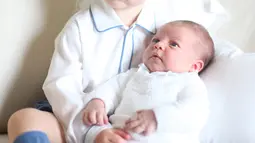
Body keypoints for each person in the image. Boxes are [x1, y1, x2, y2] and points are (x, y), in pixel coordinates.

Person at [7, 0, 223, 143]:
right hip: (78, 117)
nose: (158, 45)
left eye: (170, 44)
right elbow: (61, 87)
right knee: (23, 119)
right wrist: (94, 132)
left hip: (131, 128)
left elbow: (198, 47)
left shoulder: (166, 26)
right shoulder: (80, 26)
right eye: (156, 41)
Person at [82, 20, 214, 143]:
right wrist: (99, 101)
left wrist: (157, 118)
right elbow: (112, 89)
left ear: (194, 66)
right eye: (155, 40)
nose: (158, 45)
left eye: (173, 44)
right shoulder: (135, 74)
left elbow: (195, 114)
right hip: (119, 137)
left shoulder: (189, 83)